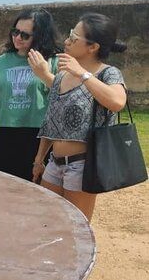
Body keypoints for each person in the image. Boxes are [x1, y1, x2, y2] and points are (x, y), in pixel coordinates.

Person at [32, 13, 127, 221]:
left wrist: (83, 74)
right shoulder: (63, 75)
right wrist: (40, 158)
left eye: (74, 38)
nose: (66, 41)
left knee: (77, 228)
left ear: (93, 47)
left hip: (83, 164)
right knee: (48, 222)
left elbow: (117, 102)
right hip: (54, 163)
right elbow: (52, 120)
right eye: (69, 35)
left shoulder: (108, 73)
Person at [0, 9, 60, 181]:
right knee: (2, 187)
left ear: (40, 36)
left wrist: (45, 74)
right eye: (15, 32)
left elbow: (64, 94)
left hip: (38, 135)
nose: (18, 38)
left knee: (35, 189)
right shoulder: (0, 62)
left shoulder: (53, 61)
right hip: (4, 133)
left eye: (25, 35)